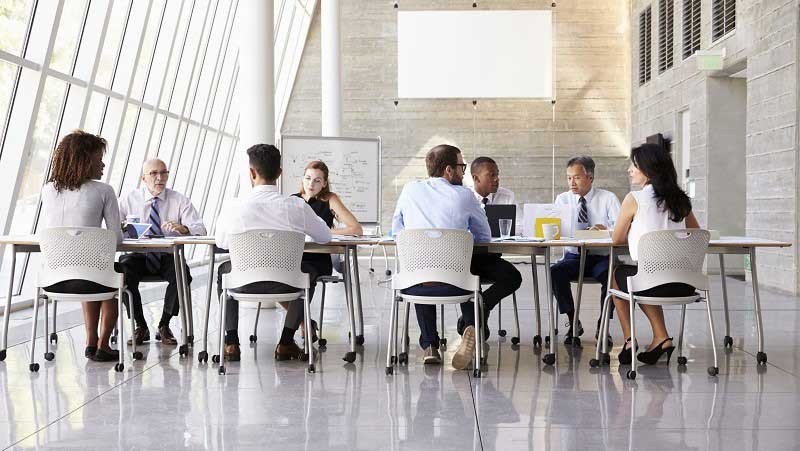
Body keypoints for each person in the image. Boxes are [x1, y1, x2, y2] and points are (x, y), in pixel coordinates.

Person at [393, 144, 521, 370]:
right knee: (469, 273)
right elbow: (484, 236)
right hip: (459, 279)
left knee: (422, 270)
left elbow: (397, 230)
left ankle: (430, 346)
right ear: (449, 170)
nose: (464, 173)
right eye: (462, 167)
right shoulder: (464, 195)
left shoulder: (409, 190)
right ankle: (472, 324)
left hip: (416, 281)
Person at [215, 144, 332, 362]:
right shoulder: (296, 206)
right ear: (279, 173)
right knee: (308, 272)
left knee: (224, 270)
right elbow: (325, 236)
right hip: (287, 283)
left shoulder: (233, 206)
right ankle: (286, 343)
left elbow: (221, 242)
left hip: (243, 282)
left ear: (251, 173)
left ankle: (231, 343)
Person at [611, 143, 700, 365]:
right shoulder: (681, 200)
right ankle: (661, 338)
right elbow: (697, 234)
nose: (630, 170)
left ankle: (630, 340)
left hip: (651, 282)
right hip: (685, 283)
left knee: (618, 275)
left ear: (649, 170)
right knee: (646, 276)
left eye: (634, 166)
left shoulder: (635, 199)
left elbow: (617, 239)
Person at [40, 130, 124, 362]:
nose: (103, 164)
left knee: (94, 271)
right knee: (110, 274)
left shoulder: (48, 190)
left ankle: (90, 340)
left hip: (54, 280)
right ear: (84, 161)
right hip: (93, 277)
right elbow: (115, 239)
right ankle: (103, 344)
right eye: (99, 158)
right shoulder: (104, 191)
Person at [117, 159, 206, 346]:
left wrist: (183, 228)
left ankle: (164, 324)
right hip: (137, 256)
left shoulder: (179, 199)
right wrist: (126, 228)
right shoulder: (129, 199)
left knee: (182, 274)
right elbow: (113, 227)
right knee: (121, 274)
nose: (160, 178)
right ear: (143, 178)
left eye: (164, 173)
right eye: (154, 173)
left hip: (166, 256)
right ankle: (140, 325)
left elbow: (200, 229)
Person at [550, 156, 620, 344]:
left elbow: (621, 230)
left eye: (577, 177)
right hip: (574, 256)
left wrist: (604, 230)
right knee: (555, 272)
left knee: (611, 276)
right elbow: (555, 230)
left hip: (602, 257)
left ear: (590, 178)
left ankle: (603, 324)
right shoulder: (562, 199)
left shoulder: (608, 198)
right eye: (568, 178)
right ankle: (573, 322)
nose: (572, 182)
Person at [293, 160, 362, 340]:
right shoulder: (292, 200)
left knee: (305, 277)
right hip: (294, 257)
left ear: (324, 183)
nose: (311, 184)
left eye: (317, 180)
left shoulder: (329, 199)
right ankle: (305, 321)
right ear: (302, 178)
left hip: (318, 260)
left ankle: (298, 328)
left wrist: (327, 232)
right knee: (278, 278)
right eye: (308, 178)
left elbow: (356, 229)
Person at [468, 156, 523, 333]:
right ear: (475, 178)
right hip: (465, 258)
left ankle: (482, 305)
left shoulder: (506, 196)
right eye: (491, 175)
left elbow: (519, 226)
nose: (496, 179)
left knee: (513, 277)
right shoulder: (464, 196)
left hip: (491, 257)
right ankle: (473, 327)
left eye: (497, 174)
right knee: (463, 281)